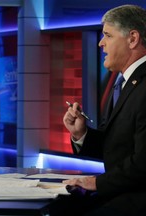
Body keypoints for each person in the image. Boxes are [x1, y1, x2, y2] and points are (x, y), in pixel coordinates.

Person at [53, 4, 146, 216]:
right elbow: (116, 147)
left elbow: (143, 163)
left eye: (107, 35)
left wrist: (97, 182)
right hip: (119, 193)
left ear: (132, 38)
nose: (100, 43)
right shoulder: (124, 83)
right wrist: (81, 134)